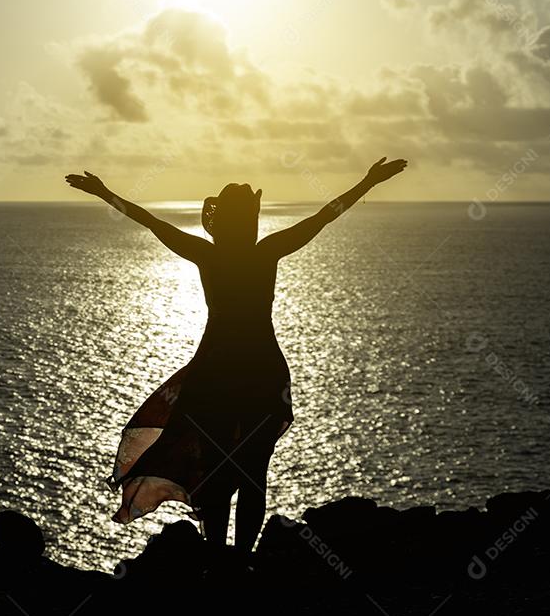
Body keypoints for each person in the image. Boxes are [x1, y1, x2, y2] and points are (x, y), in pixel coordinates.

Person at [64, 157, 408, 551]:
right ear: (245, 221)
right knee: (251, 474)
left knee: (223, 472)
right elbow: (324, 216)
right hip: (259, 370)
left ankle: (220, 558)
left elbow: (151, 221)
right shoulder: (265, 252)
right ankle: (238, 558)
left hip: (219, 373)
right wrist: (368, 181)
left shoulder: (211, 255)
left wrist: (105, 192)